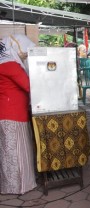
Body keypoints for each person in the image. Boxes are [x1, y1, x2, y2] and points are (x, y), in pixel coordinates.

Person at [0, 34, 37, 194]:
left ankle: (9, 185)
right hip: (13, 114)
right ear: (14, 49)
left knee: (8, 151)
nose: (24, 57)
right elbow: (29, 86)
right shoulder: (10, 65)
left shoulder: (2, 62)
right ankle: (19, 186)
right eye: (23, 54)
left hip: (6, 112)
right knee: (16, 151)